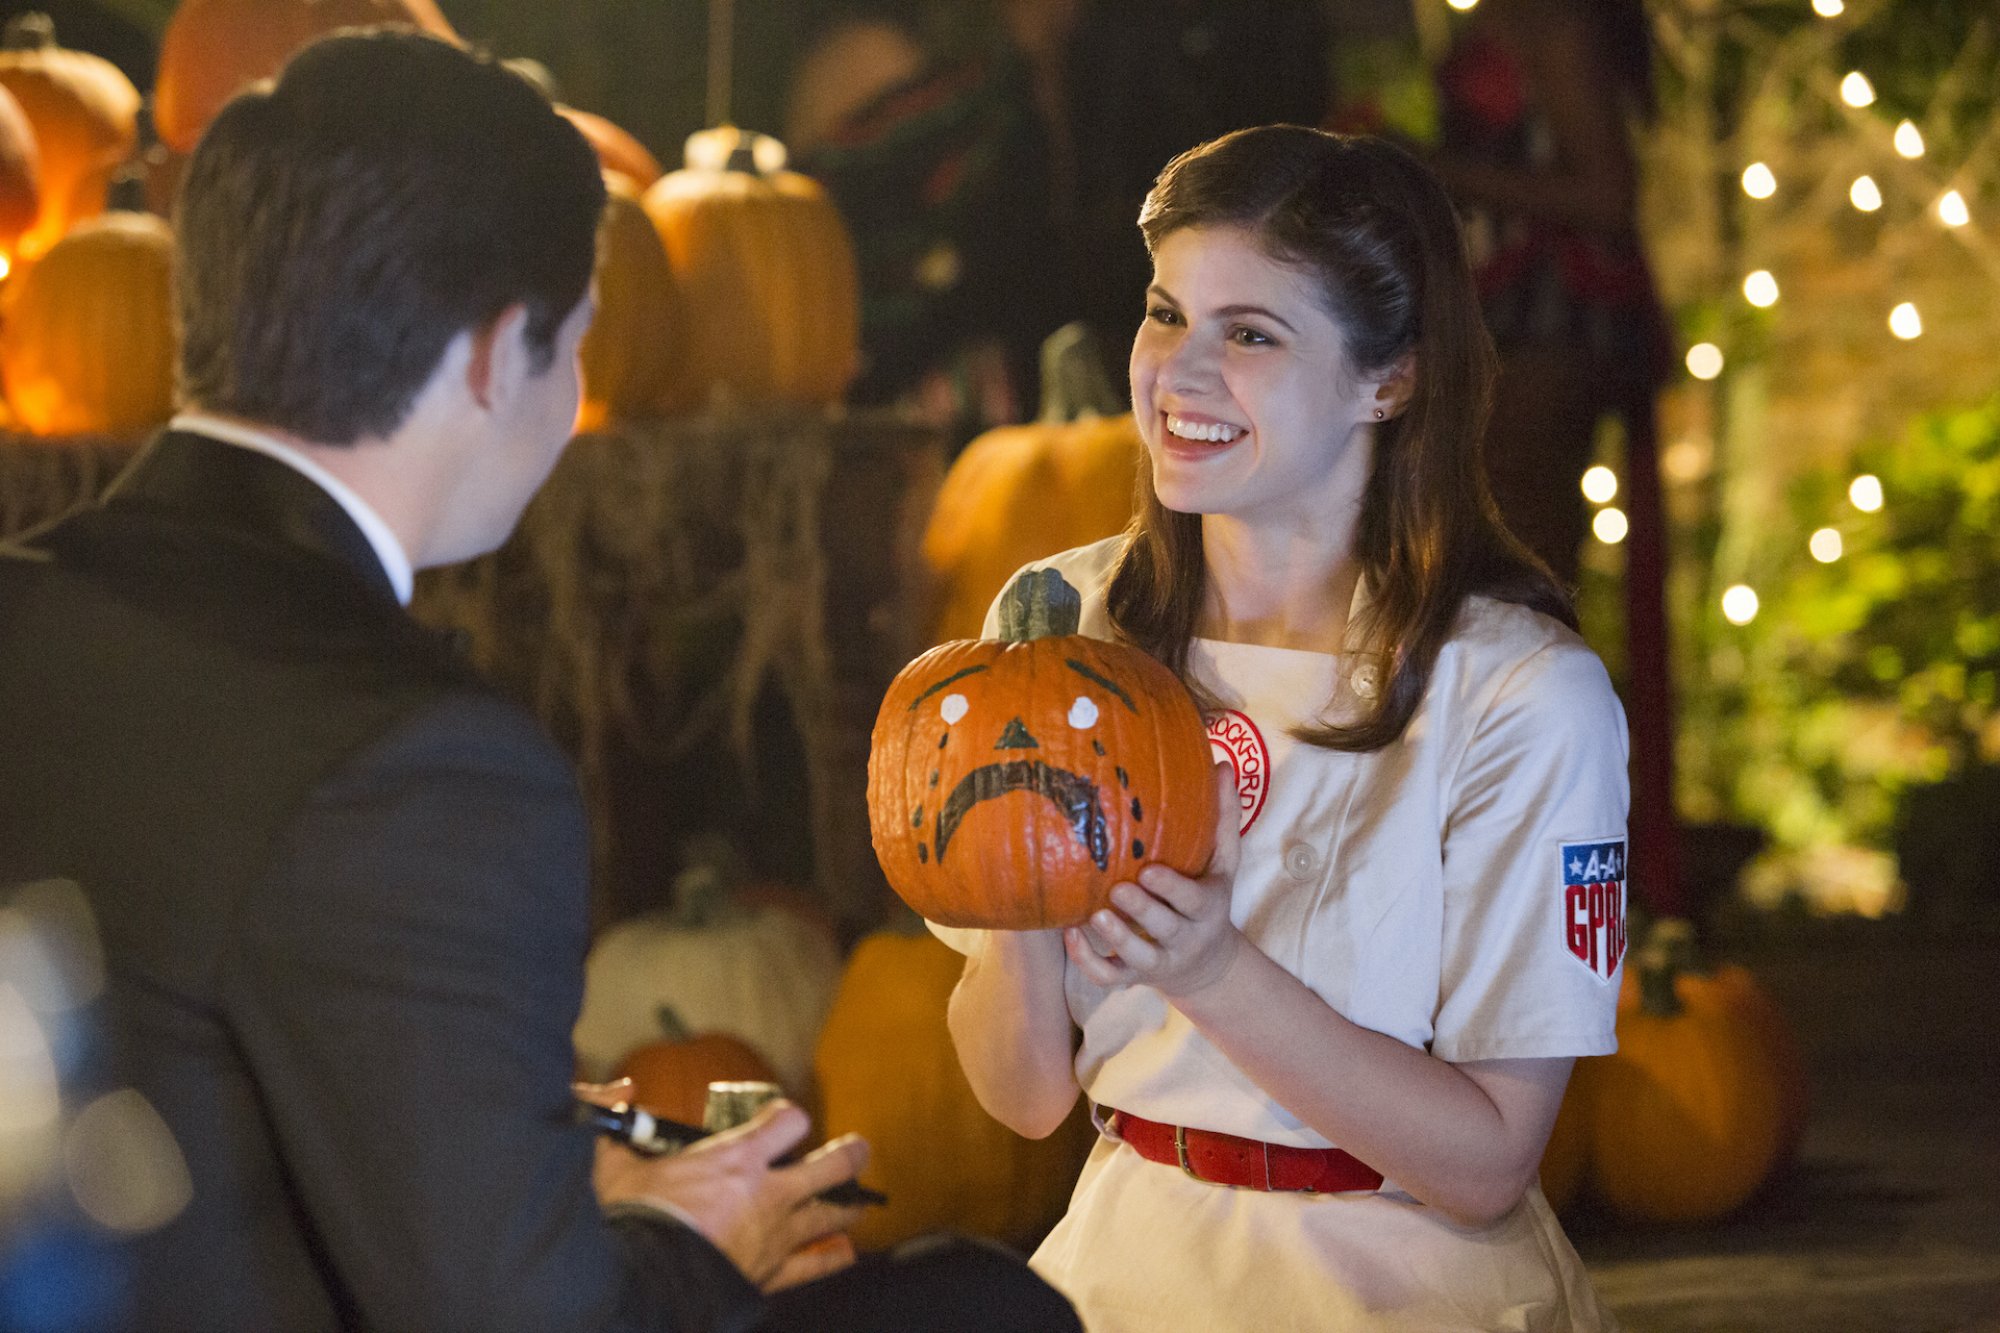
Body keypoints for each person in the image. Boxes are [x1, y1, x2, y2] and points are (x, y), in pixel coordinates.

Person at [0, 29, 1077, 1333]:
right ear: (490, 354)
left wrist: (537, 1163)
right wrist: (689, 1234)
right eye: (571, 345)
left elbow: (212, 1031)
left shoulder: (27, 597)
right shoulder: (420, 760)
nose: (572, 398)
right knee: (982, 1307)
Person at [936, 125, 1630, 1330]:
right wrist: (1020, 917)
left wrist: (1206, 968)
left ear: (1389, 378)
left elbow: (1484, 1164)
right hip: (1124, 1264)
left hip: (1406, 1286)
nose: (1175, 374)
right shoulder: (1058, 628)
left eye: (1248, 334)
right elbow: (1024, 1099)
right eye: (1165, 314)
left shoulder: (1518, 694)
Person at [1431, 0, 1670, 589]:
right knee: (1503, 529)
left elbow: (1609, 194)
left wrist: (1436, 169)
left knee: (1522, 535)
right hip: (1514, 309)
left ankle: (1534, 673)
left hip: (1554, 312)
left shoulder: (1557, 22)